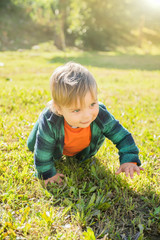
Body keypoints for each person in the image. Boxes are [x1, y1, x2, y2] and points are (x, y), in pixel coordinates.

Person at [27, 62, 144, 186]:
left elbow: (122, 137)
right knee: (32, 145)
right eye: (76, 110)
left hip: (81, 148)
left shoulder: (101, 116)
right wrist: (47, 175)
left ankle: (78, 154)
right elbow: (42, 153)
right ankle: (35, 135)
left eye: (92, 104)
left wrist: (129, 160)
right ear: (59, 109)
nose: (87, 115)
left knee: (79, 159)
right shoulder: (51, 121)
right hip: (52, 140)